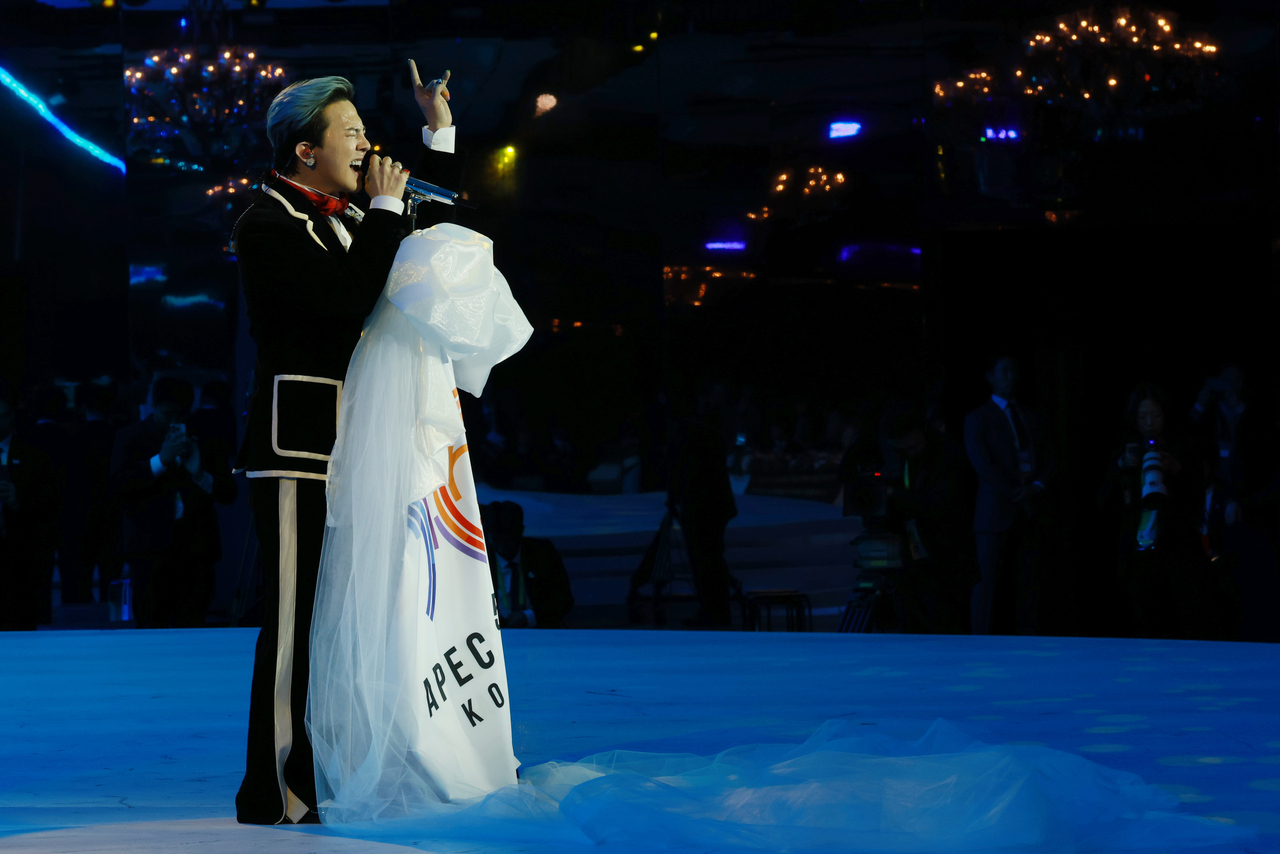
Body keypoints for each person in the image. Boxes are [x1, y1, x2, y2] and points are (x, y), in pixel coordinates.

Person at [234, 65, 459, 826]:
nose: (367, 144)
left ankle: (327, 767)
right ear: (305, 151)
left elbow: (438, 233)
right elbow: (345, 302)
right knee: (294, 619)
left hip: (358, 441)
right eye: (351, 133)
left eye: (365, 131)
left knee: (349, 614)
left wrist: (440, 134)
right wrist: (387, 209)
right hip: (295, 443)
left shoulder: (354, 214)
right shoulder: (264, 222)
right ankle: (272, 786)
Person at [110, 377, 237, 628]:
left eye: (181, 415)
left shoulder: (205, 438)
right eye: (167, 413)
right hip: (149, 549)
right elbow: (117, 487)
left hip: (196, 550)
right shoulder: (130, 437)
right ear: (153, 406)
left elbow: (229, 493)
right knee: (150, 626)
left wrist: (200, 474)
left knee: (193, 626)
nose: (173, 422)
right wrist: (160, 461)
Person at [963, 356, 1053, 635]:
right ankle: (981, 641)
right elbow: (984, 466)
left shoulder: (1031, 416)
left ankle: (1030, 638)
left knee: (1030, 583)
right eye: (1005, 371)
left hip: (1029, 509)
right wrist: (1017, 492)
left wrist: (1036, 486)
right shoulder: (978, 417)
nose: (1011, 376)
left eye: (1014, 370)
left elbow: (1049, 456)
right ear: (990, 376)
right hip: (996, 511)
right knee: (987, 584)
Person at [880, 400, 975, 634]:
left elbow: (939, 506)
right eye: (902, 448)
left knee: (943, 626)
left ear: (921, 430)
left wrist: (894, 496)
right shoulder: (899, 455)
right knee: (908, 623)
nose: (909, 452)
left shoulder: (949, 455)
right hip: (910, 555)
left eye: (912, 446)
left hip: (943, 559)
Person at [0, 392, 58, 631]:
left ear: (12, 417)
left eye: (3, 416)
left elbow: (50, 504)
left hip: (19, 555)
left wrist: (18, 501)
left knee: (19, 624)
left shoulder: (34, 456)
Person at [485, 500, 574, 629]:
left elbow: (564, 600)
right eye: (496, 537)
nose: (502, 545)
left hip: (539, 632)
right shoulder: (478, 557)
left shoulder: (542, 552)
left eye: (508, 537)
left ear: (521, 531)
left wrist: (530, 616)